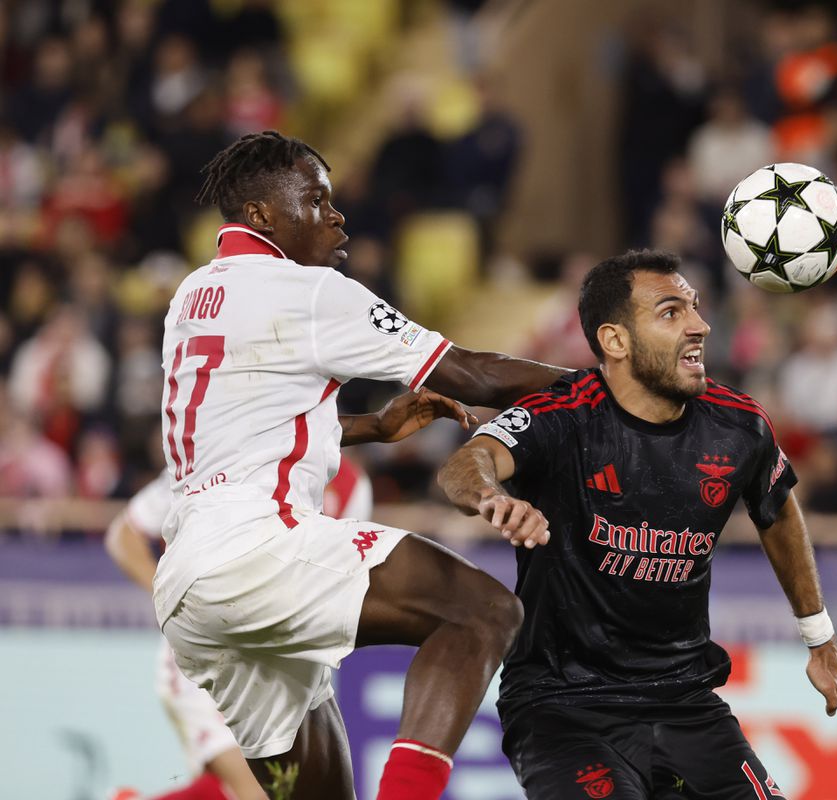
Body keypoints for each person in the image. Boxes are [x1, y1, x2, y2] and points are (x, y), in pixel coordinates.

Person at [155, 130, 566, 800]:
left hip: (191, 587)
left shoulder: (194, 294)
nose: (337, 215)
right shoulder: (311, 291)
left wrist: (372, 426)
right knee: (483, 612)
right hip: (258, 547)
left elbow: (242, 425)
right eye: (316, 199)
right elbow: (472, 374)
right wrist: (604, 384)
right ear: (261, 214)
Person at [439, 250, 837, 799]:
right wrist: (490, 497)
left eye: (695, 308)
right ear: (615, 340)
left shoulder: (740, 427)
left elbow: (778, 508)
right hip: (565, 707)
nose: (700, 325)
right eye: (671, 313)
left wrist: (820, 638)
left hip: (687, 704)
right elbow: (466, 463)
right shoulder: (564, 415)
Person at [105, 458, 372, 800]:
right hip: (207, 654)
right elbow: (124, 535)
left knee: (270, 789)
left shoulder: (351, 485)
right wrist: (173, 603)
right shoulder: (217, 452)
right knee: (259, 791)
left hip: (277, 662)